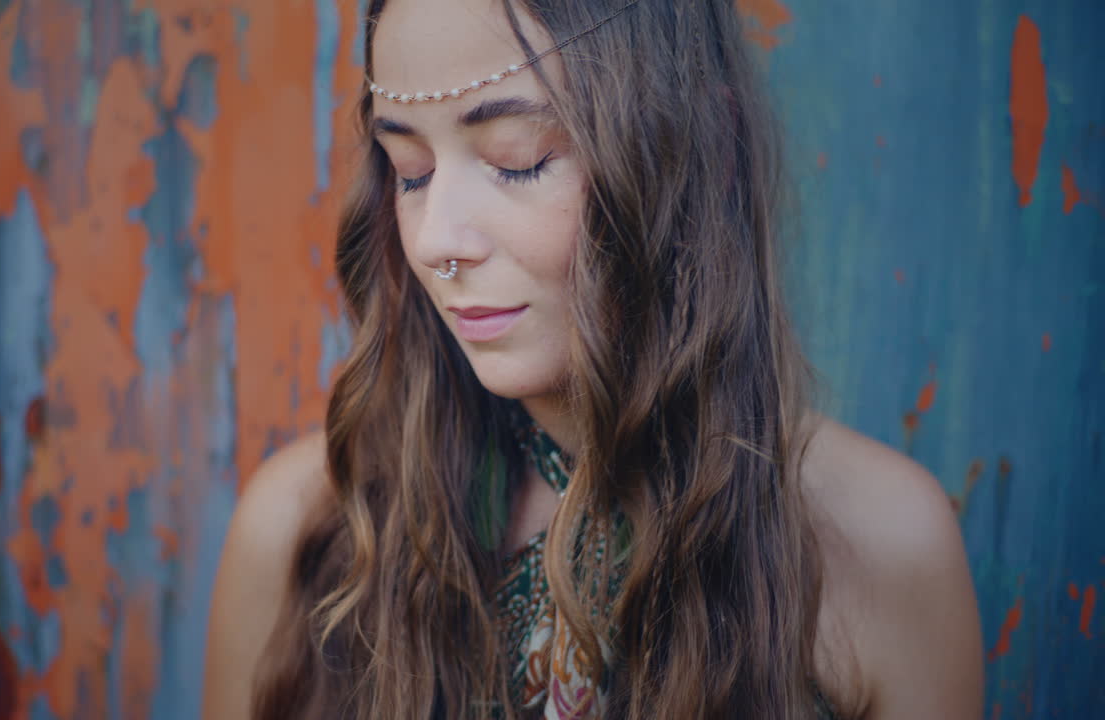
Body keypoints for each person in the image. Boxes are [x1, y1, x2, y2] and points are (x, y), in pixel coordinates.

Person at [203, 0, 984, 717]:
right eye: (410, 172)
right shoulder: (307, 534)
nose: (437, 240)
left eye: (517, 160)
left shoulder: (880, 546)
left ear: (679, 149)